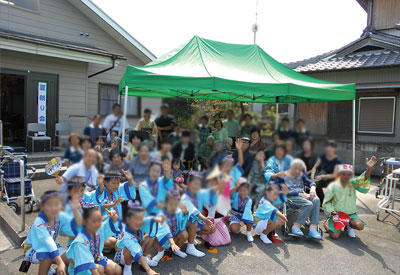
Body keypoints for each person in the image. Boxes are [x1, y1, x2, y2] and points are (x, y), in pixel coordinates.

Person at [24, 191, 82, 275]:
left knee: (72, 259)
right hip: (33, 248)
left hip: (52, 247)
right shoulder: (39, 222)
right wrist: (60, 262)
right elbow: (48, 242)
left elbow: (75, 228)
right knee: (46, 254)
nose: (53, 208)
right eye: (49, 205)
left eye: (56, 204)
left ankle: (50, 269)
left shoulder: (60, 216)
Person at [323, 157, 377, 239]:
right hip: (337, 215)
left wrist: (369, 168)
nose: (346, 176)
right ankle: (335, 225)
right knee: (334, 236)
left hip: (351, 215)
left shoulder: (352, 183)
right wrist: (331, 211)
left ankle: (349, 225)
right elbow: (327, 202)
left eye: (348, 174)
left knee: (360, 226)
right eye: (343, 174)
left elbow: (363, 179)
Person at [66, 204, 122, 275]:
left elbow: (110, 225)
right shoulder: (80, 241)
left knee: (117, 270)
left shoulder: (98, 228)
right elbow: (89, 266)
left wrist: (114, 218)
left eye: (99, 220)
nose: (98, 223)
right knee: (99, 269)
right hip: (82, 267)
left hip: (96, 259)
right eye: (94, 221)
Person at [113, 201, 165, 275]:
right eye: (136, 219)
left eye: (141, 219)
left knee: (150, 237)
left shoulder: (138, 224)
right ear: (128, 220)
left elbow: (148, 220)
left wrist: (159, 220)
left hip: (137, 252)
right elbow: (135, 249)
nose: (139, 222)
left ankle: (144, 259)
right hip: (123, 257)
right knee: (129, 248)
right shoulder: (126, 233)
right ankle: (127, 267)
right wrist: (149, 270)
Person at [181, 170, 220, 257]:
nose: (197, 186)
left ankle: (193, 235)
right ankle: (190, 247)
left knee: (212, 228)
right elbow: (193, 210)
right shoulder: (185, 196)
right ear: (189, 183)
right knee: (194, 221)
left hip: (198, 220)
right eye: (195, 183)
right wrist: (205, 219)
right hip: (183, 223)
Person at [281, 159, 321, 239]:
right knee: (308, 204)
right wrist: (299, 194)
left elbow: (311, 182)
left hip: (303, 196)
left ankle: (312, 228)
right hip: (291, 197)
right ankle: (296, 226)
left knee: (316, 200)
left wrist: (312, 189)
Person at [311, 140, 342, 205]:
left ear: (334, 149)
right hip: (323, 177)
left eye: (331, 148)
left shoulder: (337, 160)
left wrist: (322, 177)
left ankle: (329, 202)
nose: (329, 149)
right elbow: (314, 167)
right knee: (314, 184)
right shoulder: (322, 156)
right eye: (327, 147)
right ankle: (321, 202)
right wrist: (312, 178)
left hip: (333, 179)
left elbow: (335, 175)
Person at [160, 189, 189, 258]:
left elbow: (183, 223)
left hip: (174, 238)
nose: (173, 206)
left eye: (175, 204)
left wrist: (185, 213)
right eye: (171, 204)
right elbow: (164, 230)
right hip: (164, 241)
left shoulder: (178, 212)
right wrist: (171, 242)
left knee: (185, 234)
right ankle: (163, 250)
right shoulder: (162, 214)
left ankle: (175, 249)